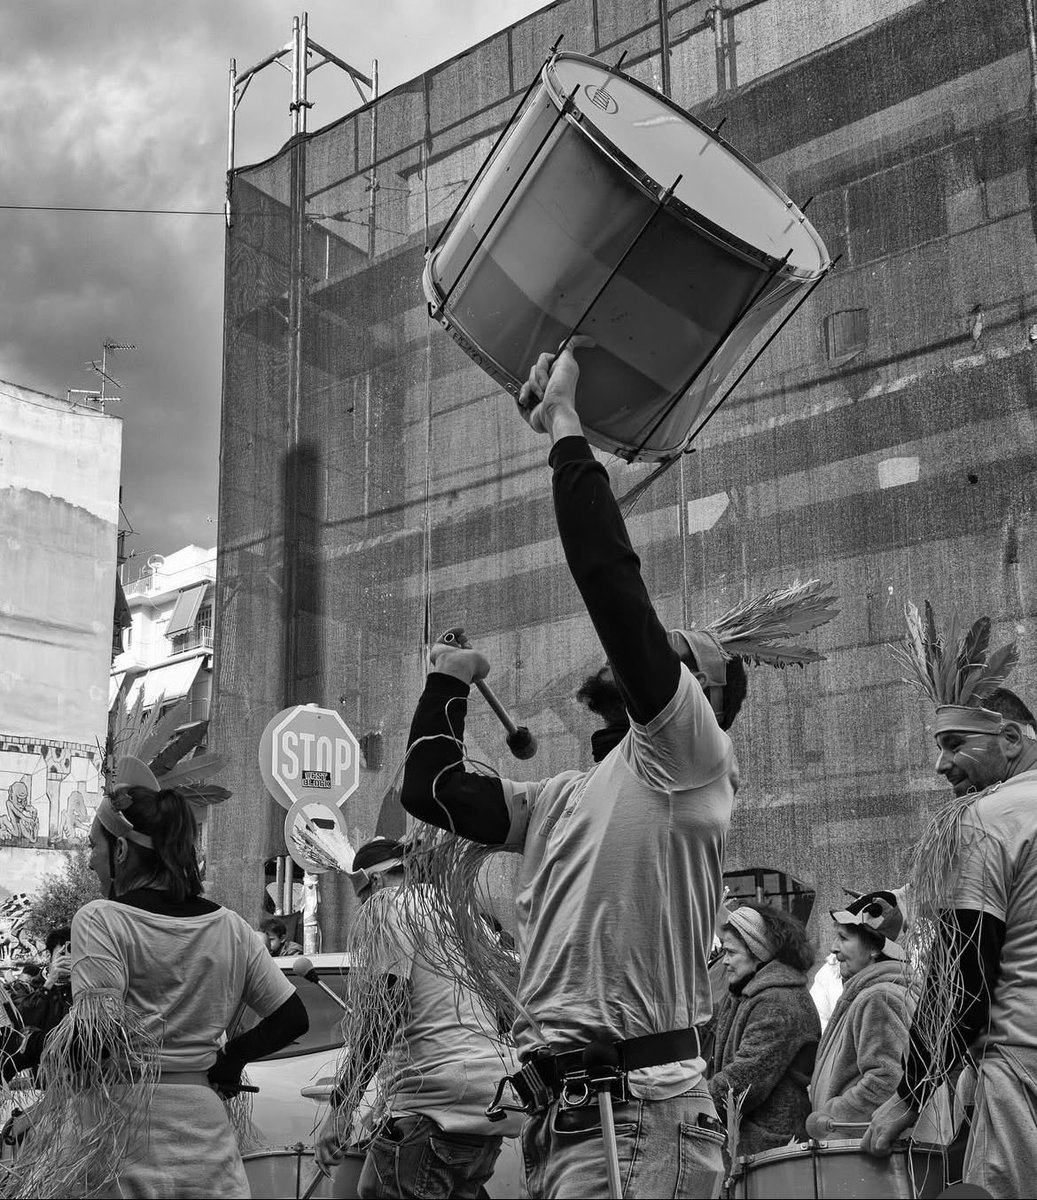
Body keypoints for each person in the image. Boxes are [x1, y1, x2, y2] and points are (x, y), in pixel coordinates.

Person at [397, 342, 838, 1199]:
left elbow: (610, 583)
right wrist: (445, 685)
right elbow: (431, 789)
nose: (642, 650)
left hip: (636, 1116)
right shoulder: (562, 797)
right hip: (573, 1119)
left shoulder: (689, 758)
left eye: (668, 657)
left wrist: (566, 426)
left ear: (696, 695)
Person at [3, 754, 309, 1199]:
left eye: (94, 846)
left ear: (122, 850)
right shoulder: (232, 927)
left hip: (126, 1146)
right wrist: (229, 1060)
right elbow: (291, 1017)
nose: (90, 862)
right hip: (209, 1150)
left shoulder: (103, 919)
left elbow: (98, 1037)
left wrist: (24, 1048)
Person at [864, 605, 1037, 1199]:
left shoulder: (987, 818)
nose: (940, 765)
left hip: (1020, 1082)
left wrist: (910, 1094)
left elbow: (963, 972)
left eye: (955, 744)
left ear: (1011, 740)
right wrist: (908, 907)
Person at [314, 837, 519, 1198]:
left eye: (361, 899)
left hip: (435, 1108)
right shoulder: (461, 914)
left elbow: (382, 1014)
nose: (363, 909)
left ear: (374, 883)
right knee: (371, 1187)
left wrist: (342, 1107)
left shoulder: (388, 906)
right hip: (491, 1106)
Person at [707, 902, 820, 1159]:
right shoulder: (746, 992)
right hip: (753, 1147)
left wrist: (693, 1104)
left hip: (772, 1154)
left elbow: (745, 1080)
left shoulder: (779, 1002)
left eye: (731, 953)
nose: (724, 961)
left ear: (757, 953)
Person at [805, 892, 913, 1139]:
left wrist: (832, 1119)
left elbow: (887, 1081)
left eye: (843, 938)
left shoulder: (880, 998)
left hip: (867, 1160)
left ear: (875, 947)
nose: (833, 947)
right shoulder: (876, 993)